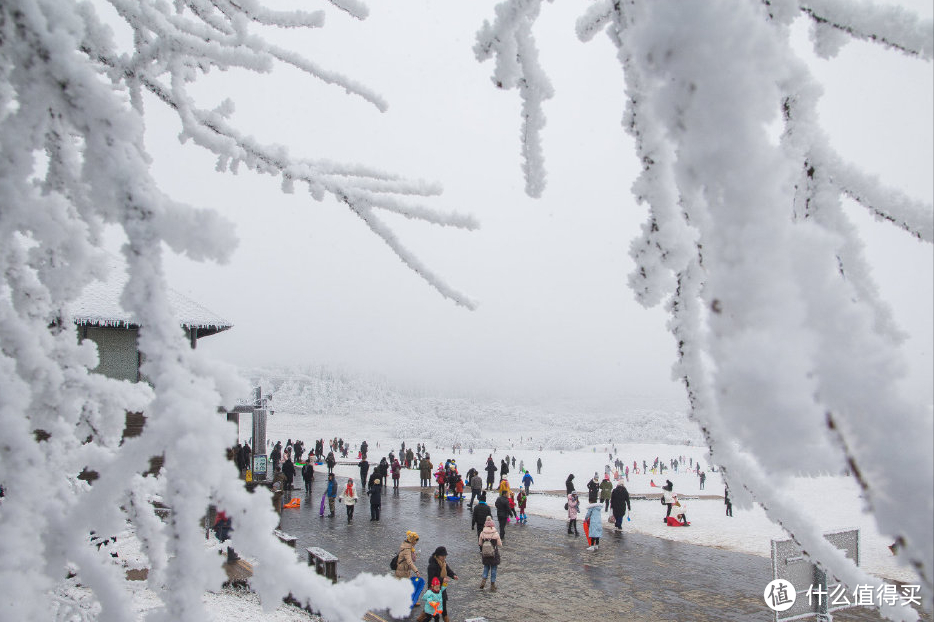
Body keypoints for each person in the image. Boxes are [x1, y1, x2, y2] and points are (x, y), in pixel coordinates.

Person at [426, 546, 458, 622]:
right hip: (434, 589)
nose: (444, 557)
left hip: (442, 587)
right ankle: (425, 618)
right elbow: (431, 579)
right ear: (437, 555)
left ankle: (445, 618)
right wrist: (442, 579)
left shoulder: (443, 563)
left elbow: (448, 569)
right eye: (442, 556)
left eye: (445, 556)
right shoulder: (432, 566)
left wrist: (453, 575)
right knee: (433, 609)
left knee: (443, 603)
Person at [394, 531, 423, 607]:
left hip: (404, 569)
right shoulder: (407, 549)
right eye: (416, 541)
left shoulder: (407, 546)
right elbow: (409, 561)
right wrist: (416, 571)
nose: (416, 543)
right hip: (402, 570)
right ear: (413, 540)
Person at [478, 516, 502, 592]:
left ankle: (483, 581)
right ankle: (492, 584)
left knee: (486, 567)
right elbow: (499, 544)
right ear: (492, 525)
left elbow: (480, 543)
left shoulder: (482, 533)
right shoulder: (495, 533)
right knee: (494, 569)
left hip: (485, 553)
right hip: (493, 553)